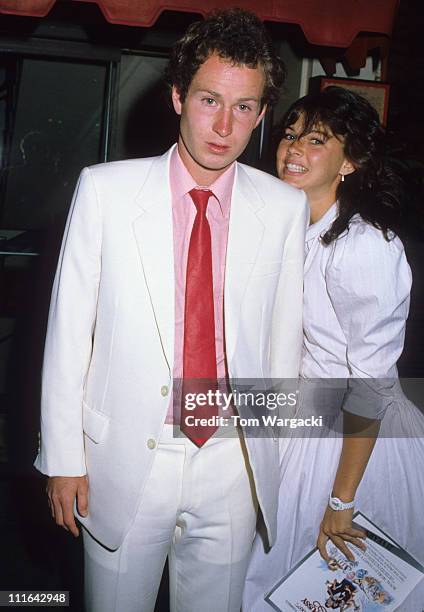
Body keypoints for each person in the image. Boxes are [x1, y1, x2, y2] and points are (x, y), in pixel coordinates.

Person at [34, 8, 308, 612]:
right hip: (126, 457)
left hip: (234, 462)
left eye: (244, 107)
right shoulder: (106, 190)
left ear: (261, 115)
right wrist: (62, 458)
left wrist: (271, 459)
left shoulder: (285, 208)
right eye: (211, 100)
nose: (224, 125)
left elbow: (284, 343)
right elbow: (69, 330)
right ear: (179, 96)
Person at [243, 86, 424, 611]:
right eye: (290, 134)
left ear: (352, 161)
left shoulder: (365, 246)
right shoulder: (288, 227)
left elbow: (370, 386)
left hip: (353, 442)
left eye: (316, 139)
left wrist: (342, 500)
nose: (293, 148)